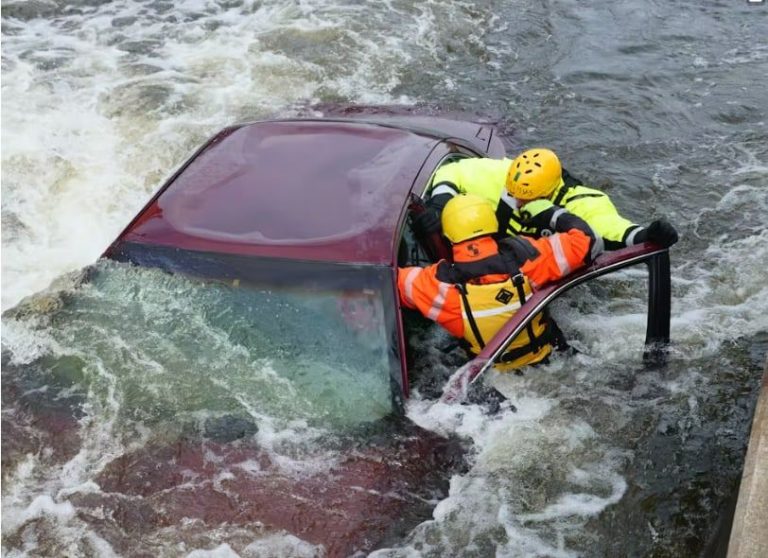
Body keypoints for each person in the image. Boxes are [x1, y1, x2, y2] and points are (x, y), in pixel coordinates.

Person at [398, 193, 596, 371]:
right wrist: (551, 213)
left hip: (494, 379)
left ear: (448, 234)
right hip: (553, 363)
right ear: (493, 223)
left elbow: (386, 281)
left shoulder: (438, 286)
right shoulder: (530, 258)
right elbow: (586, 240)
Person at [413, 148, 678, 251]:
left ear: (548, 193)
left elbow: (614, 230)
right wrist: (441, 202)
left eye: (526, 201)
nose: (518, 204)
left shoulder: (583, 202)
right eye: (515, 196)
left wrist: (647, 236)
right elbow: (453, 170)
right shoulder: (506, 175)